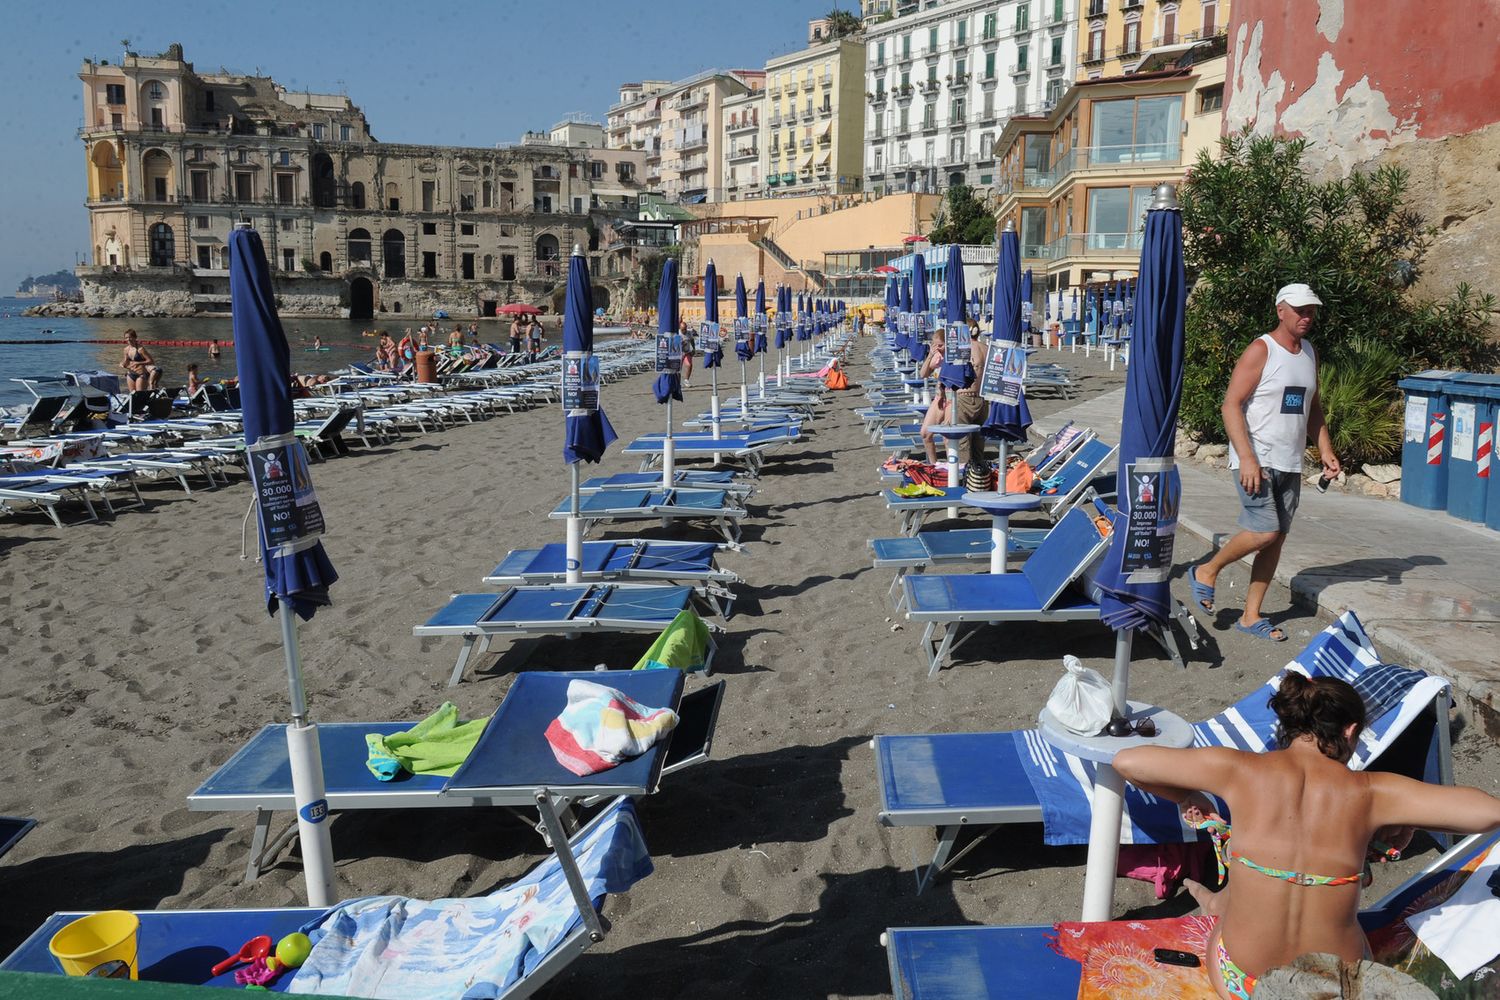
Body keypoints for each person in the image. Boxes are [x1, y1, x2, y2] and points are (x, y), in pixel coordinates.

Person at [1116, 674, 1500, 999]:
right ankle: (1221, 903)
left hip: (1246, 984)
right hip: (1333, 988)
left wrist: (1188, 795)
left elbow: (1128, 762)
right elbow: (1488, 813)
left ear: (1290, 725)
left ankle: (1216, 905)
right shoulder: (1373, 793)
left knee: (1245, 870)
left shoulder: (1240, 770)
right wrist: (1409, 818)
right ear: (1350, 731)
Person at [1189, 284, 1341, 642]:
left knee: (1275, 541)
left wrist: (1325, 450)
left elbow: (1312, 407)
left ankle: (1250, 615)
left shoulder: (1308, 353)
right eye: (1300, 310)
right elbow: (1231, 404)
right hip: (1257, 459)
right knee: (1264, 531)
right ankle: (1207, 570)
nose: (1307, 317)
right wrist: (1246, 458)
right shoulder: (1262, 349)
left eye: (1311, 311)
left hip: (1290, 461)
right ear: (1281, 310)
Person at [679, 317, 695, 386]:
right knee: (678, 368)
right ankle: (677, 381)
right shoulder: (678, 334)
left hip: (687, 352)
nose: (684, 331)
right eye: (683, 330)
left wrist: (694, 349)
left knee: (689, 365)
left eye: (685, 329)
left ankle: (686, 380)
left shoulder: (689, 333)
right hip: (679, 353)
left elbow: (692, 340)